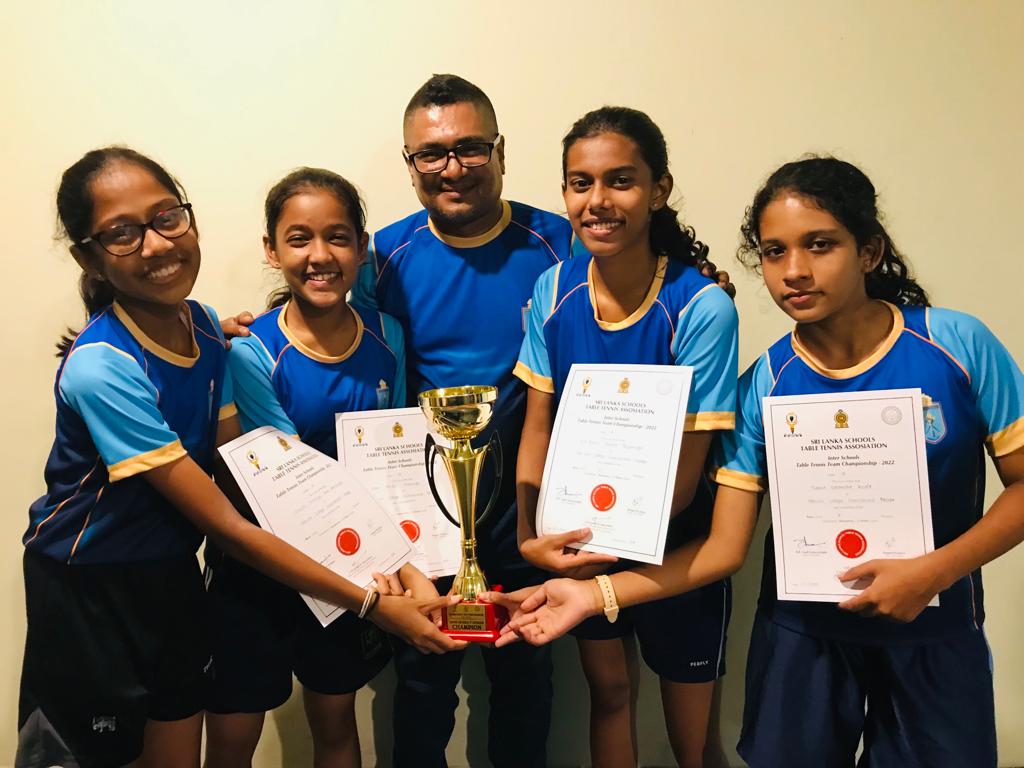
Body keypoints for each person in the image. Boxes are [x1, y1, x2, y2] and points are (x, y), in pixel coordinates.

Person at [500, 156, 1024, 768]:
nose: (794, 271)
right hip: (803, 643)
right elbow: (724, 549)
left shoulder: (956, 345)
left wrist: (936, 571)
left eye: (820, 245)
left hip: (935, 636)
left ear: (870, 251)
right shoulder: (764, 385)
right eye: (775, 252)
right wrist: (593, 597)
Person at [18, 147, 460, 768]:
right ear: (89, 256)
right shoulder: (101, 368)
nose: (155, 243)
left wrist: (401, 564)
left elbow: (248, 465)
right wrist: (372, 602)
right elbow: (229, 520)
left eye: (166, 217)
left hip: (174, 574)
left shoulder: (204, 327)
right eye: (122, 233)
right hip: (94, 589)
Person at [350, 74, 576, 768]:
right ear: (410, 164)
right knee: (422, 685)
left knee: (525, 678)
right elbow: (329, 327)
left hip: (527, 501)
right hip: (422, 508)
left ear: (500, 151)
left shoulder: (561, 243)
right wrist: (245, 331)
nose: (452, 168)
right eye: (432, 153)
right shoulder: (381, 257)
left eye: (470, 148)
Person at [507, 107, 738, 768]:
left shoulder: (701, 307)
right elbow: (538, 426)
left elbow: (687, 472)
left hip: (677, 553)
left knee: (692, 739)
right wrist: (529, 535)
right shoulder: (553, 289)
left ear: (659, 190)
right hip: (581, 543)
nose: (598, 200)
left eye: (620, 181)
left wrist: (604, 544)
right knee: (608, 697)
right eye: (580, 183)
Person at [204, 168, 447, 768]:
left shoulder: (389, 336)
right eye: (299, 239)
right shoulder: (251, 352)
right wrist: (389, 580)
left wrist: (407, 565)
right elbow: (290, 490)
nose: (320, 256)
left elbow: (393, 463)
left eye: (338, 237)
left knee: (336, 722)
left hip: (357, 562)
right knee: (233, 736)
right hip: (260, 569)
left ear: (362, 248)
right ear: (271, 250)